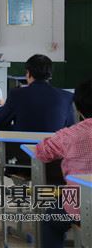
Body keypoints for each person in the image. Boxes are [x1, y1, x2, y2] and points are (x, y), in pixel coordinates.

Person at [35, 79, 92, 248]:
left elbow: (42, 152)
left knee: (50, 220)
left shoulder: (70, 135)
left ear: (78, 109)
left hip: (80, 203)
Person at [0, 54, 74, 132]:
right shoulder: (67, 97)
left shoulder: (17, 94)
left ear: (28, 73)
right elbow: (70, 128)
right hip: (53, 142)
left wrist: (2, 107)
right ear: (50, 75)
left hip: (21, 142)